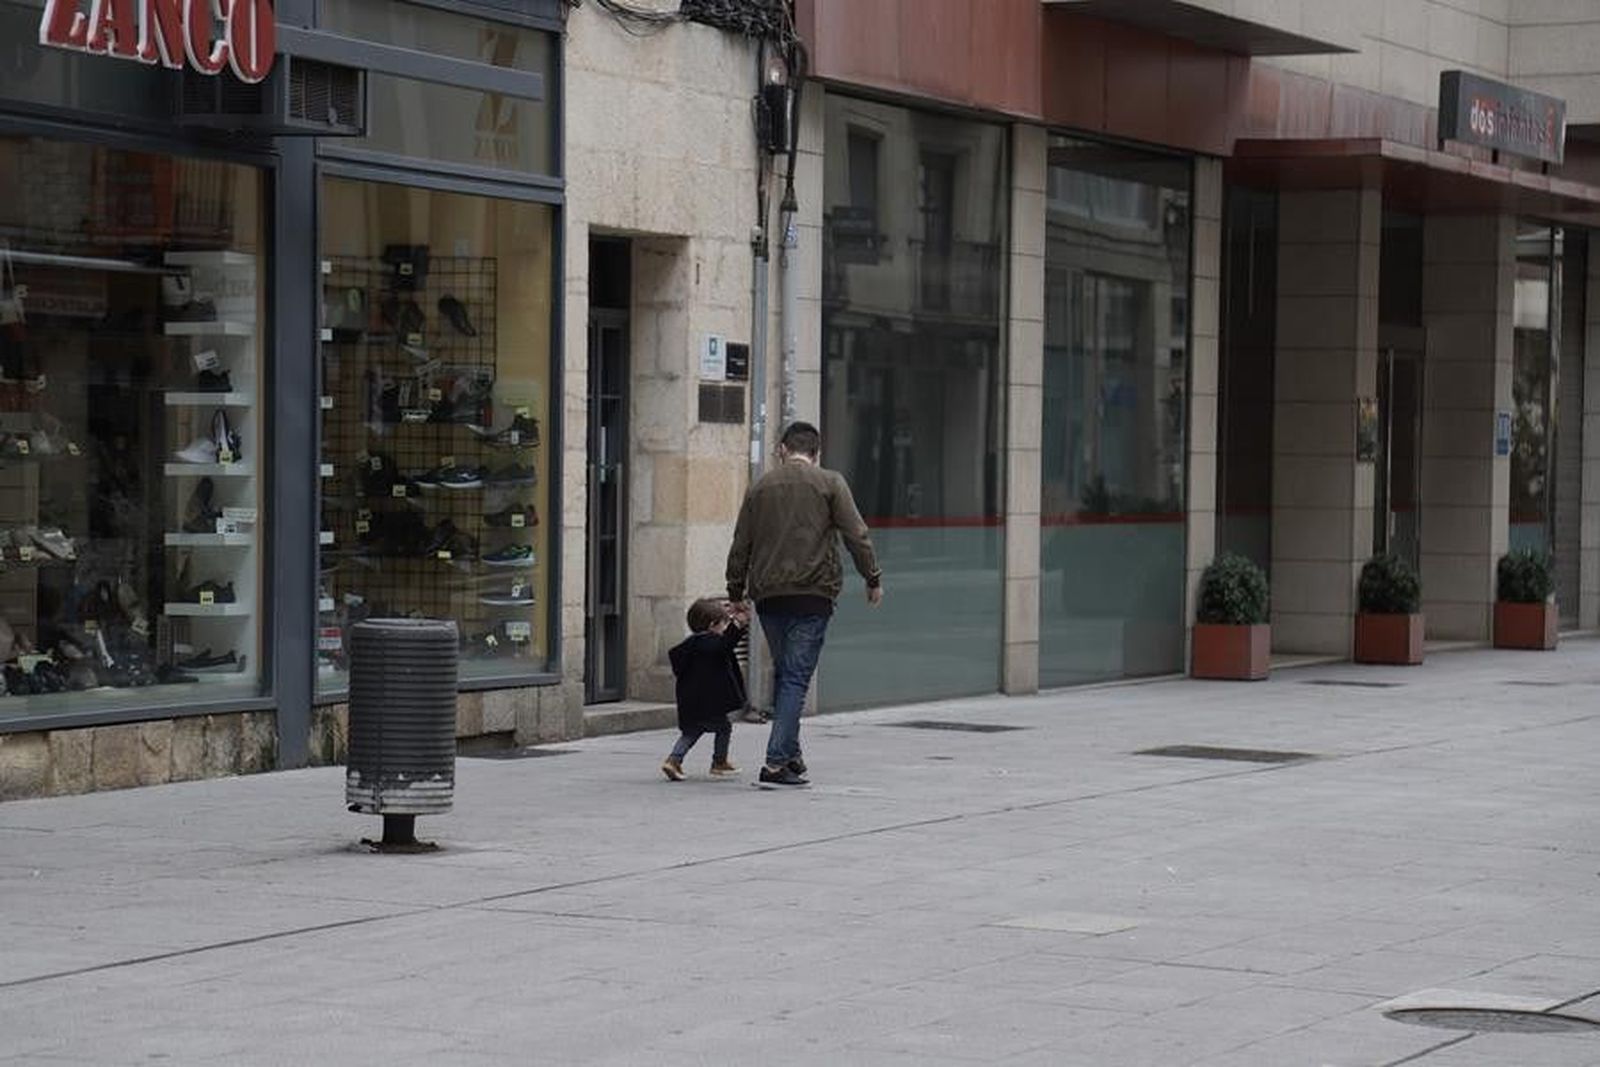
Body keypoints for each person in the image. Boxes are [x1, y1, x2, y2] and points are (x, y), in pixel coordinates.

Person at [725, 421, 882, 787]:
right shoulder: (831, 483)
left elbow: (741, 543)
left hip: (769, 596)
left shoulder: (760, 487)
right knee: (795, 677)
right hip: (813, 593)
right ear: (816, 452)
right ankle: (776, 763)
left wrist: (735, 592)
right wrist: (872, 577)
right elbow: (857, 535)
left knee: (787, 674)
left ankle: (792, 755)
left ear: (783, 449)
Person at [661, 597, 747, 781]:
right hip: (709, 701)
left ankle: (673, 760)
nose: (724, 628)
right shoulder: (710, 643)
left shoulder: (692, 644)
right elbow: (726, 644)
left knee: (692, 731)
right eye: (723, 624)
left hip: (692, 700)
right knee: (724, 727)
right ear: (712, 625)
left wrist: (734, 624)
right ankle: (719, 762)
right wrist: (738, 625)